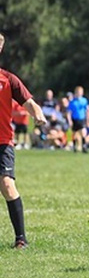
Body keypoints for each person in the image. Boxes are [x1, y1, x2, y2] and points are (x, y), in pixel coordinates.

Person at [0, 33, 47, 248]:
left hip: (3, 142)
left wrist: (37, 113)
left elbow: (29, 101)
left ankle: (21, 239)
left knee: (8, 186)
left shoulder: (8, 79)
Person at [67, 86, 89, 153]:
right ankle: (74, 146)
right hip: (74, 119)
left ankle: (84, 146)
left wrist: (87, 119)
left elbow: (86, 110)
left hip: (82, 119)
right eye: (78, 92)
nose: (79, 93)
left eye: (80, 92)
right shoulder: (72, 102)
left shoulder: (84, 101)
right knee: (74, 134)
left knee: (83, 132)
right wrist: (70, 120)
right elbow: (69, 112)